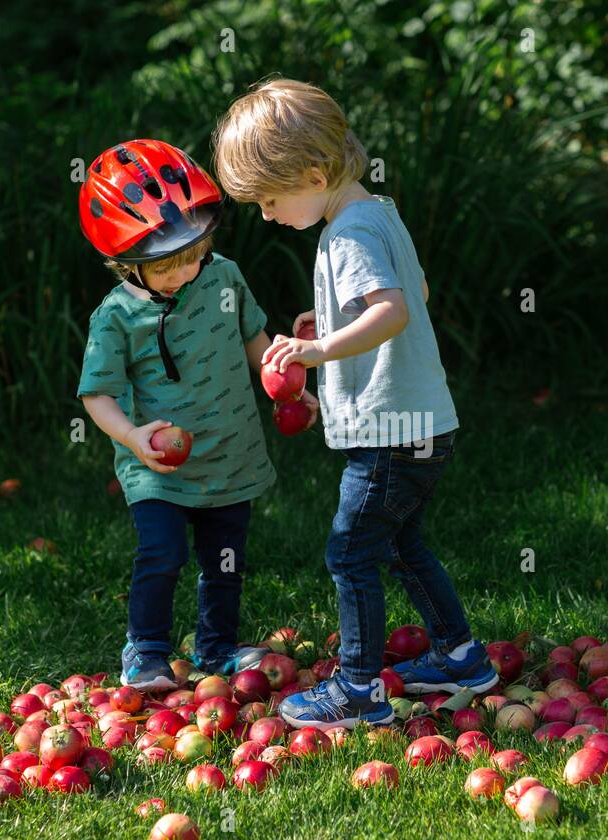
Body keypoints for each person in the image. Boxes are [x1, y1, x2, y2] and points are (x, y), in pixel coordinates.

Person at [211, 79, 497, 729]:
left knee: (351, 553)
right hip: (425, 425)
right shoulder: (378, 214)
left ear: (314, 174)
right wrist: (334, 322)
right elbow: (414, 290)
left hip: (392, 432)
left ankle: (359, 690)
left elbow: (392, 309)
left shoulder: (347, 237)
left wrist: (317, 352)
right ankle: (462, 658)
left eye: (270, 199)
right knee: (401, 544)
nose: (266, 214)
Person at [75, 139, 317, 691]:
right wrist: (132, 436)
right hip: (156, 462)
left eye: (193, 255)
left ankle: (217, 648)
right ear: (124, 260)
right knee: (162, 553)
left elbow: (253, 336)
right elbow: (97, 394)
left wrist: (283, 385)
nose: (185, 273)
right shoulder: (114, 318)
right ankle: (147, 651)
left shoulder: (223, 276)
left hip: (229, 450)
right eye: (166, 267)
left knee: (225, 559)